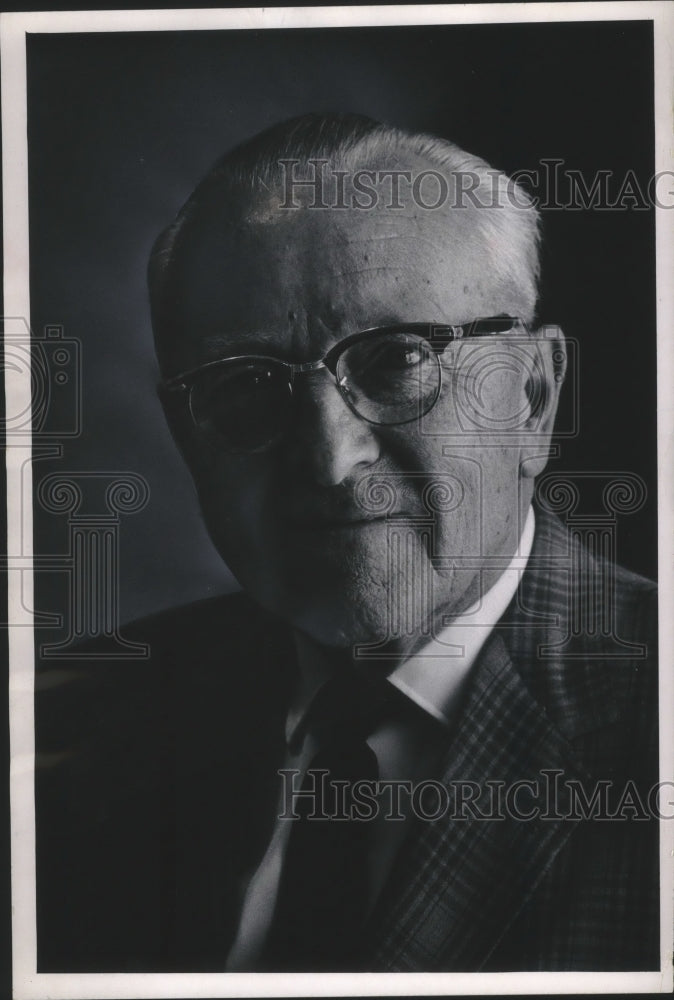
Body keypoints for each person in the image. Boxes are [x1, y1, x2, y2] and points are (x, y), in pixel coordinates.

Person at [35, 113, 659, 973]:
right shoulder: (70, 725)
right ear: (185, 432)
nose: (329, 460)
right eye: (245, 384)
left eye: (398, 360)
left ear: (534, 399)